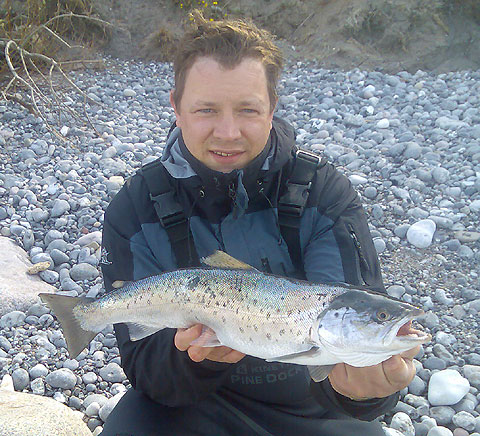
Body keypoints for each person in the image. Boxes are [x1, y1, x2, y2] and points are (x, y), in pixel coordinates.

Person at [99, 11, 420, 436]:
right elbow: (145, 370)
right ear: (176, 108)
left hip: (311, 413)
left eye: (248, 109)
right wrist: (190, 358)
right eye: (207, 109)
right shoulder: (134, 209)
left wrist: (364, 392)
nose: (228, 132)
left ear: (272, 107)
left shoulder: (323, 194)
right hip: (187, 406)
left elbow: (356, 330)